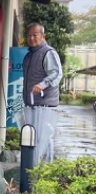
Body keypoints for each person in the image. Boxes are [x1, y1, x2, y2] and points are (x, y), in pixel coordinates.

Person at [22, 22, 63, 163]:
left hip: (45, 106)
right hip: (32, 106)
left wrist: (42, 84)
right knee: (33, 139)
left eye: (35, 35)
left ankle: (44, 172)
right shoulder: (29, 55)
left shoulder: (48, 52)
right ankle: (33, 169)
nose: (31, 38)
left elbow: (56, 73)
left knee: (45, 140)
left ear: (43, 36)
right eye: (29, 35)